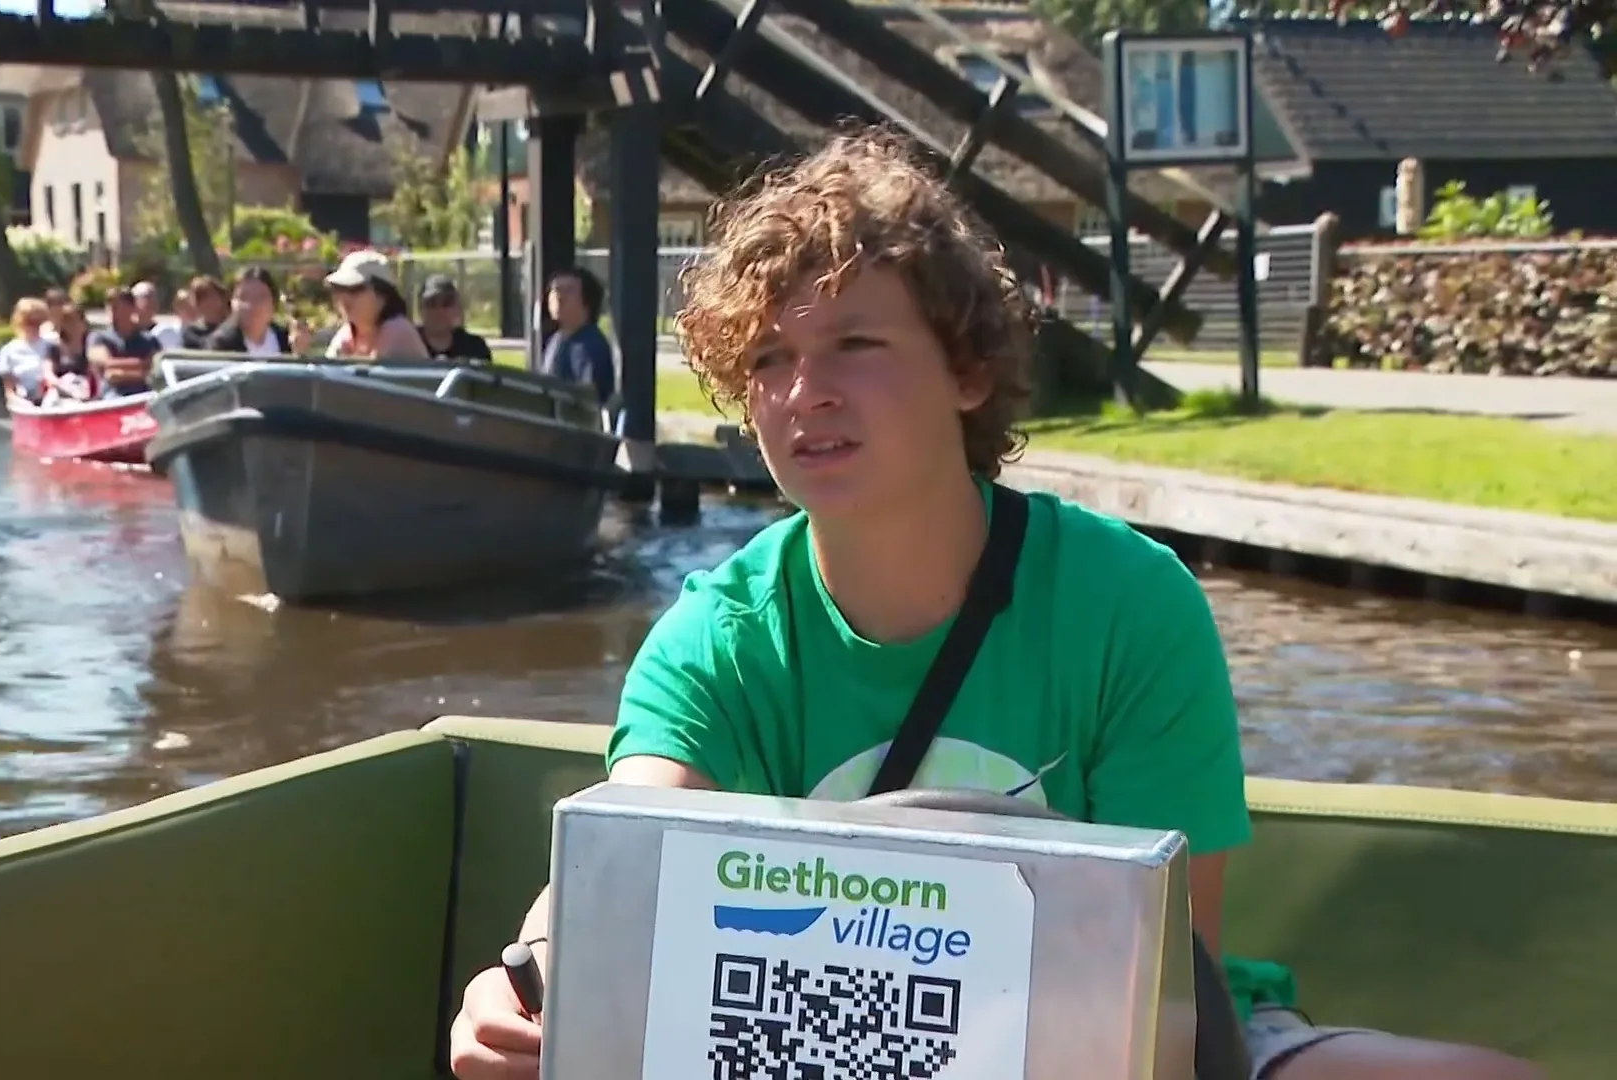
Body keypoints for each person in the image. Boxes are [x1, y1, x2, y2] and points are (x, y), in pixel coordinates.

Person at [446, 130, 1543, 1080]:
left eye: (855, 345)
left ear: (968, 371)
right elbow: (626, 851)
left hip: (1124, 1038)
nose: (802, 392)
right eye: (769, 358)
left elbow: (1165, 995)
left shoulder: (1131, 605)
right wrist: (525, 974)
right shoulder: (714, 638)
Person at [322, 249, 429, 361]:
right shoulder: (348, 332)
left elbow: (368, 374)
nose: (345, 298)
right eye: (339, 288)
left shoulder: (397, 328)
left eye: (355, 288)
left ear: (383, 295)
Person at [541, 266, 615, 407]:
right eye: (555, 290)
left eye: (568, 291)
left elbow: (588, 401)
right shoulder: (555, 340)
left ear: (587, 302)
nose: (559, 297)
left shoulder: (590, 346)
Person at [205, 267, 311, 356]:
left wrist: (298, 353)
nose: (251, 305)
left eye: (260, 298)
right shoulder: (220, 344)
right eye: (244, 297)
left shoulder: (285, 339)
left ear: (273, 303)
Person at [90, 287, 160, 397]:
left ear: (132, 308)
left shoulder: (149, 340)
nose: (112, 311)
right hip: (112, 396)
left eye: (117, 307)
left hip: (144, 395)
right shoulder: (98, 338)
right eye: (109, 307)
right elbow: (106, 364)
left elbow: (156, 367)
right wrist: (143, 367)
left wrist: (121, 373)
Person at [416, 274, 492, 361]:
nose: (439, 311)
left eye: (447, 303)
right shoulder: (407, 344)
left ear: (457, 308)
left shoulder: (475, 347)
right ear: (420, 308)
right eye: (432, 304)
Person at [0, 297, 54, 404]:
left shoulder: (51, 344)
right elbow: (9, 392)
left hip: (51, 396)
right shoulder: (9, 351)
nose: (34, 326)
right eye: (29, 321)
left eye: (38, 322)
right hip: (25, 400)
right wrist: (24, 404)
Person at [180, 276, 232, 349]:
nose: (206, 302)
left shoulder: (236, 329)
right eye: (200, 298)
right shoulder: (192, 332)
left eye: (210, 296)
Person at [132, 280, 186, 351]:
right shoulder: (125, 332)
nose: (152, 301)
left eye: (154, 296)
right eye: (146, 296)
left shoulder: (167, 333)